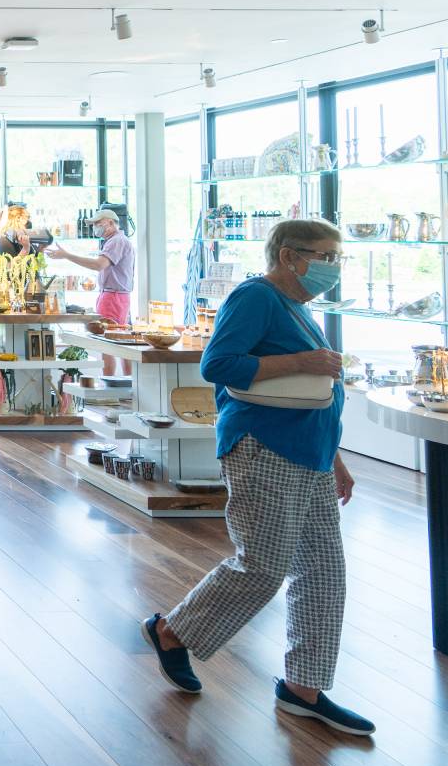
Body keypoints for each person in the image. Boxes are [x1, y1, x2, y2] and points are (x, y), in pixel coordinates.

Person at [142, 218, 372, 736]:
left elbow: (316, 391)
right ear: (290, 256)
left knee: (323, 574)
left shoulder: (298, 307)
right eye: (325, 256)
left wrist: (334, 457)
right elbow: (217, 363)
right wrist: (303, 359)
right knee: (264, 566)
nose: (332, 268)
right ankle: (172, 631)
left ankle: (303, 687)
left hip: (310, 453)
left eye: (338, 257)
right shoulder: (256, 297)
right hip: (263, 446)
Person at [46, 205, 138, 376]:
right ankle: (128, 385)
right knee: (122, 341)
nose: (95, 227)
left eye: (98, 223)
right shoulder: (119, 241)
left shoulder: (116, 241)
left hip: (113, 297)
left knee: (107, 343)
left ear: (110, 223)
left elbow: (98, 265)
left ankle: (110, 388)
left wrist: (67, 255)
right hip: (118, 297)